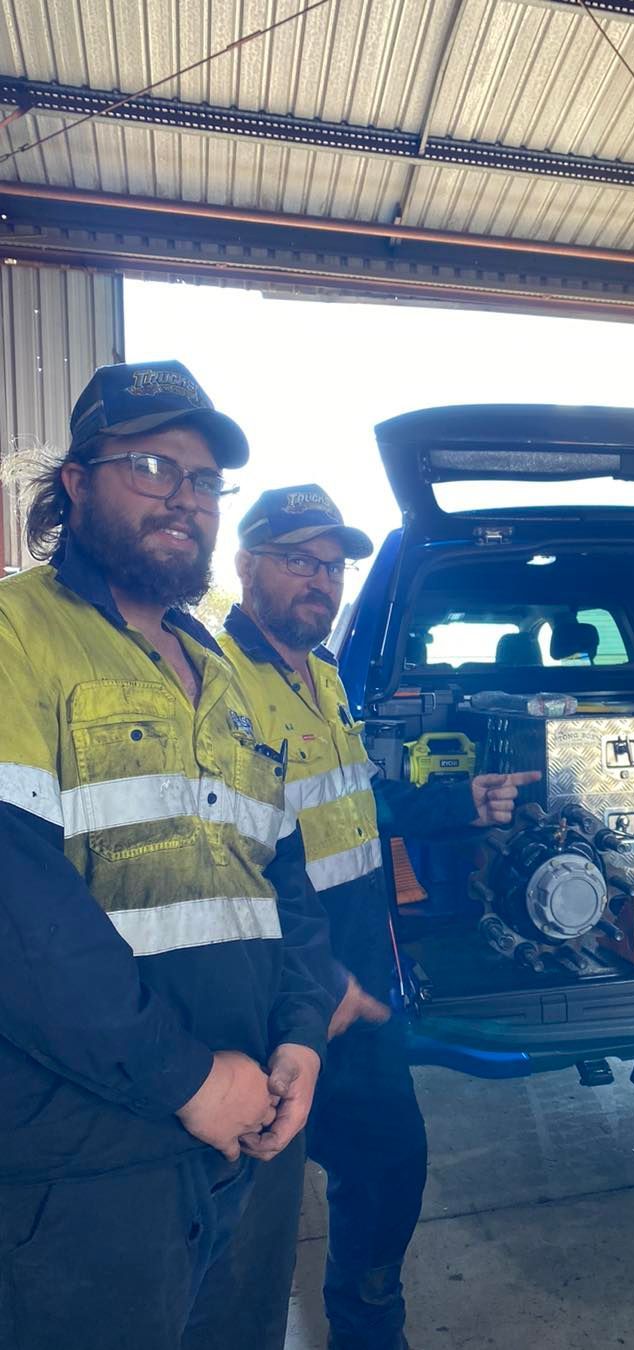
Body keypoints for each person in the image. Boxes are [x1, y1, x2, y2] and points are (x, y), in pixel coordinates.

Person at [0, 363, 337, 1349]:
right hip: (91, 1154)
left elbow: (287, 882)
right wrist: (187, 1079)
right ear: (76, 482)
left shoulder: (229, 674)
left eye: (201, 481)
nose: (182, 497)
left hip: (254, 1129)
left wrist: (304, 1036)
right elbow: (17, 908)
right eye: (152, 466)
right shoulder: (18, 634)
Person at [218, 485, 537, 1350]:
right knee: (251, 1197)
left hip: (355, 973)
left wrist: (459, 802)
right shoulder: (217, 683)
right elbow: (226, 859)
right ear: (245, 564)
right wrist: (316, 981)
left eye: (332, 565)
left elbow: (360, 801)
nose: (320, 580)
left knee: (388, 1164)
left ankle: (366, 1328)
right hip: (277, 984)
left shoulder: (320, 677)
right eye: (297, 559)